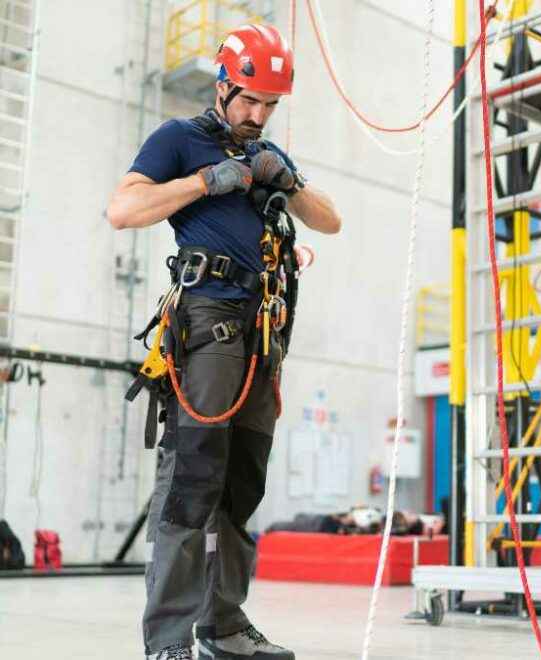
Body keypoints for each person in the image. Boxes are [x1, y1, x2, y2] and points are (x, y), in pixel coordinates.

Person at [108, 23, 341, 660]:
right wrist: (206, 182)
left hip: (263, 332)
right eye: (250, 100)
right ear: (223, 85)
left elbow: (331, 219)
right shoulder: (179, 140)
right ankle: (168, 641)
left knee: (242, 487)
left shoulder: (270, 155)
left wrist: (286, 184)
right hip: (208, 323)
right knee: (193, 482)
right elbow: (123, 209)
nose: (259, 114)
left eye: (270, 104)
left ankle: (225, 626)